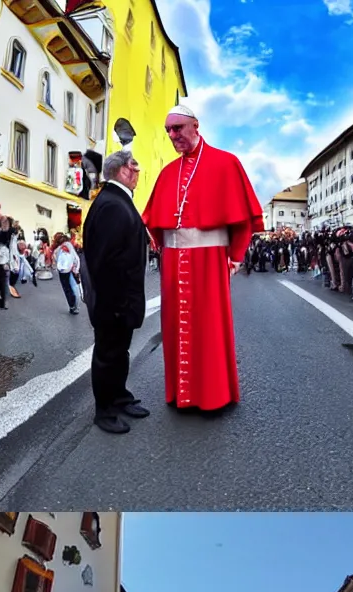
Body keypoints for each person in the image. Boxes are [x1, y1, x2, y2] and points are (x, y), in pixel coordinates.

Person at [140, 99, 265, 410]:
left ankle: (213, 395)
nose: (172, 135)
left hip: (209, 261)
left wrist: (235, 257)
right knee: (176, 328)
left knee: (209, 329)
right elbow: (153, 221)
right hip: (173, 262)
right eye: (168, 130)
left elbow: (243, 218)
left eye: (177, 128)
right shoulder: (168, 173)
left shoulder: (226, 162)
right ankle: (180, 395)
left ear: (196, 126)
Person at [81, 150, 152, 434]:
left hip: (120, 301)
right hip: (114, 302)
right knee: (108, 353)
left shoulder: (117, 200)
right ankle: (105, 410)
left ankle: (119, 396)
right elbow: (105, 262)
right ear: (123, 170)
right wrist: (117, 305)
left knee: (119, 352)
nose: (139, 172)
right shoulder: (112, 204)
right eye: (135, 166)